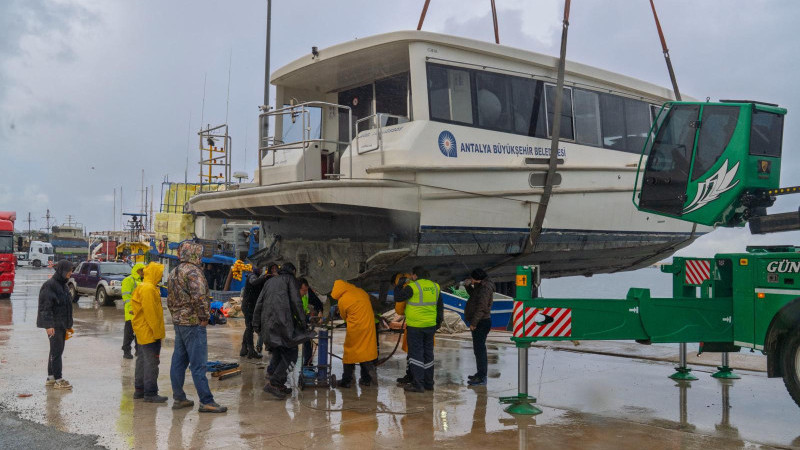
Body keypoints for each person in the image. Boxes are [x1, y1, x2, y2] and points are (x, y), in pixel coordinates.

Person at [167, 241, 227, 413]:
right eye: (199, 254)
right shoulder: (194, 272)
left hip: (179, 322)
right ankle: (206, 401)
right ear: (194, 255)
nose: (201, 258)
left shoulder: (174, 272)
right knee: (198, 364)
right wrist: (204, 318)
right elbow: (200, 297)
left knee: (178, 361)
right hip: (193, 323)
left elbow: (171, 299)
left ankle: (179, 398)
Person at [253, 262, 314, 400]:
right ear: (293, 271)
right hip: (282, 326)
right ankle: (275, 383)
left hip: (269, 326)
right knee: (292, 355)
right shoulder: (290, 280)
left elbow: (259, 303)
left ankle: (277, 383)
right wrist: (304, 324)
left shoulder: (270, 282)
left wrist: (256, 324)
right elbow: (296, 303)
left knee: (279, 354)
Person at [394, 266, 443, 393]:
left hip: (415, 327)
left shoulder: (413, 287)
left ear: (415, 275)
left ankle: (417, 384)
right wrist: (438, 323)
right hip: (430, 326)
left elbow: (398, 297)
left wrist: (399, 285)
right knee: (428, 354)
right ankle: (428, 383)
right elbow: (440, 307)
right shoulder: (435, 287)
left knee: (416, 355)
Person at [330, 280, 377, 388]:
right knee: (365, 351)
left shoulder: (343, 300)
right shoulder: (361, 292)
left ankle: (346, 380)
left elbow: (343, 316)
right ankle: (366, 378)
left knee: (349, 354)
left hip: (356, 329)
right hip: (369, 326)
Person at [131, 262, 167, 402]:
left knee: (142, 360)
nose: (162, 275)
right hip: (149, 331)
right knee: (152, 362)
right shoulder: (149, 289)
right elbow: (151, 313)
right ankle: (151, 393)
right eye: (160, 273)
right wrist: (158, 334)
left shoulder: (143, 286)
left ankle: (139, 390)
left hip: (142, 330)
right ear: (154, 273)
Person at [37, 260, 75, 390]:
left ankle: (51, 377)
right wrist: (48, 325)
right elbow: (45, 307)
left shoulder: (63, 285)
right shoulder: (50, 285)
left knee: (55, 351)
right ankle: (59, 379)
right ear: (62, 271)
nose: (71, 273)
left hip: (62, 323)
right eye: (69, 270)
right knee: (57, 351)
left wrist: (68, 324)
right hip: (54, 324)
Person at [464, 268, 495, 386]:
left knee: (480, 350)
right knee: (478, 350)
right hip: (481, 322)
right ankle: (480, 373)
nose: (471, 280)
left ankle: (482, 377)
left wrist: (474, 323)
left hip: (481, 323)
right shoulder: (481, 286)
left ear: (477, 279)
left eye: (472, 279)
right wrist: (468, 287)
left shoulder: (485, 289)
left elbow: (481, 307)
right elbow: (474, 296)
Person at [240, 266, 268, 359]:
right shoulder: (252, 276)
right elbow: (254, 282)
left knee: (249, 327)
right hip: (248, 306)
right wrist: (263, 277)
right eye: (260, 269)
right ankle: (251, 350)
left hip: (251, 306)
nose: (261, 270)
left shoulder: (259, 278)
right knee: (250, 328)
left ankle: (244, 348)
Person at [121, 262, 145, 359]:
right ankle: (126, 351)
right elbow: (126, 297)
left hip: (140, 312)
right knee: (129, 334)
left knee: (139, 334)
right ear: (138, 270)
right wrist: (132, 309)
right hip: (131, 312)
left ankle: (138, 351)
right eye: (143, 271)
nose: (144, 272)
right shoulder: (129, 280)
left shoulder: (142, 281)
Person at [298, 278, 324, 366]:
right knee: (289, 349)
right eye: (304, 290)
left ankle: (307, 364)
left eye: (306, 290)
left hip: (302, 321)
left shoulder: (307, 293)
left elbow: (317, 302)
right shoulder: (290, 295)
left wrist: (320, 311)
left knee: (308, 341)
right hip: (291, 322)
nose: (305, 292)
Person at [255, 263, 279, 354]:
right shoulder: (267, 278)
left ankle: (270, 346)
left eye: (275, 268)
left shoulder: (279, 278)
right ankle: (259, 346)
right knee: (263, 327)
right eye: (272, 268)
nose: (274, 270)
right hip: (266, 305)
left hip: (275, 305)